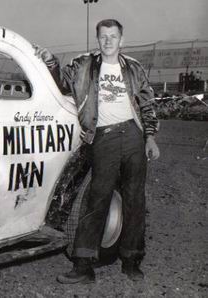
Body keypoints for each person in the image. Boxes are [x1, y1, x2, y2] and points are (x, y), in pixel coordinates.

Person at [34, 19, 160, 283]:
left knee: (135, 200)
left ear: (121, 40)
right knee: (97, 198)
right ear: (97, 39)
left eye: (113, 37)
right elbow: (62, 84)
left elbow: (147, 104)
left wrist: (150, 138)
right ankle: (83, 266)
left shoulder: (134, 68)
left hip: (134, 135)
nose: (108, 41)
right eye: (103, 36)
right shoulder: (83, 65)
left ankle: (131, 260)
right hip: (103, 137)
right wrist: (50, 62)